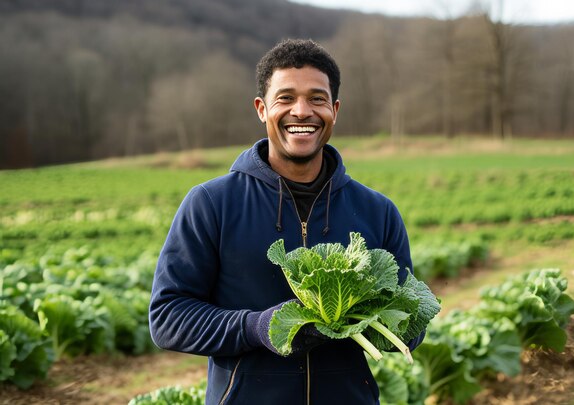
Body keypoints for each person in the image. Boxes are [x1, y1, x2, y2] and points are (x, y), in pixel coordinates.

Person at [149, 38, 424, 405]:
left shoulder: (378, 210)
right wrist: (258, 328)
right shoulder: (211, 204)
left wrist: (368, 322)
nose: (301, 111)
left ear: (335, 109)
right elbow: (168, 318)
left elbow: (412, 320)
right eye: (285, 98)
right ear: (262, 109)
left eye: (316, 98)